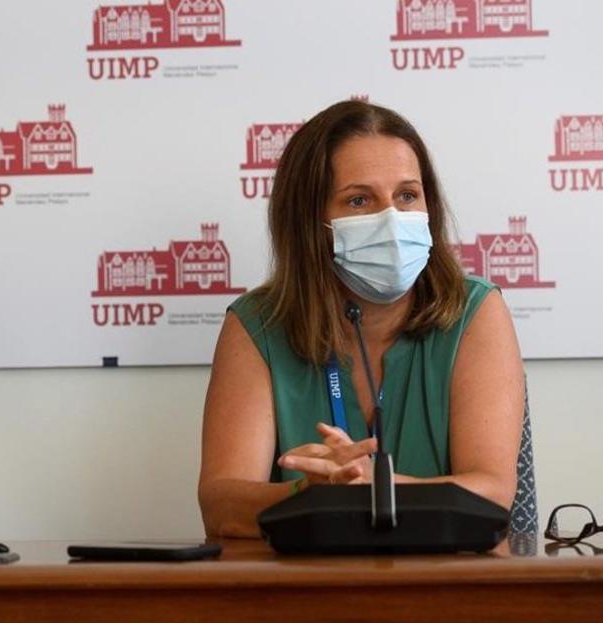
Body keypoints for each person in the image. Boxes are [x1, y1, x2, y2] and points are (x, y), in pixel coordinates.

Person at [199, 100, 524, 538]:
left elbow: (491, 493)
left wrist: (366, 491)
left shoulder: (476, 311)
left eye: (407, 195)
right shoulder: (258, 324)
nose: (391, 218)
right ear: (311, 221)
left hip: (446, 590)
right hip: (300, 594)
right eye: (359, 200)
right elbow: (221, 505)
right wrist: (312, 492)